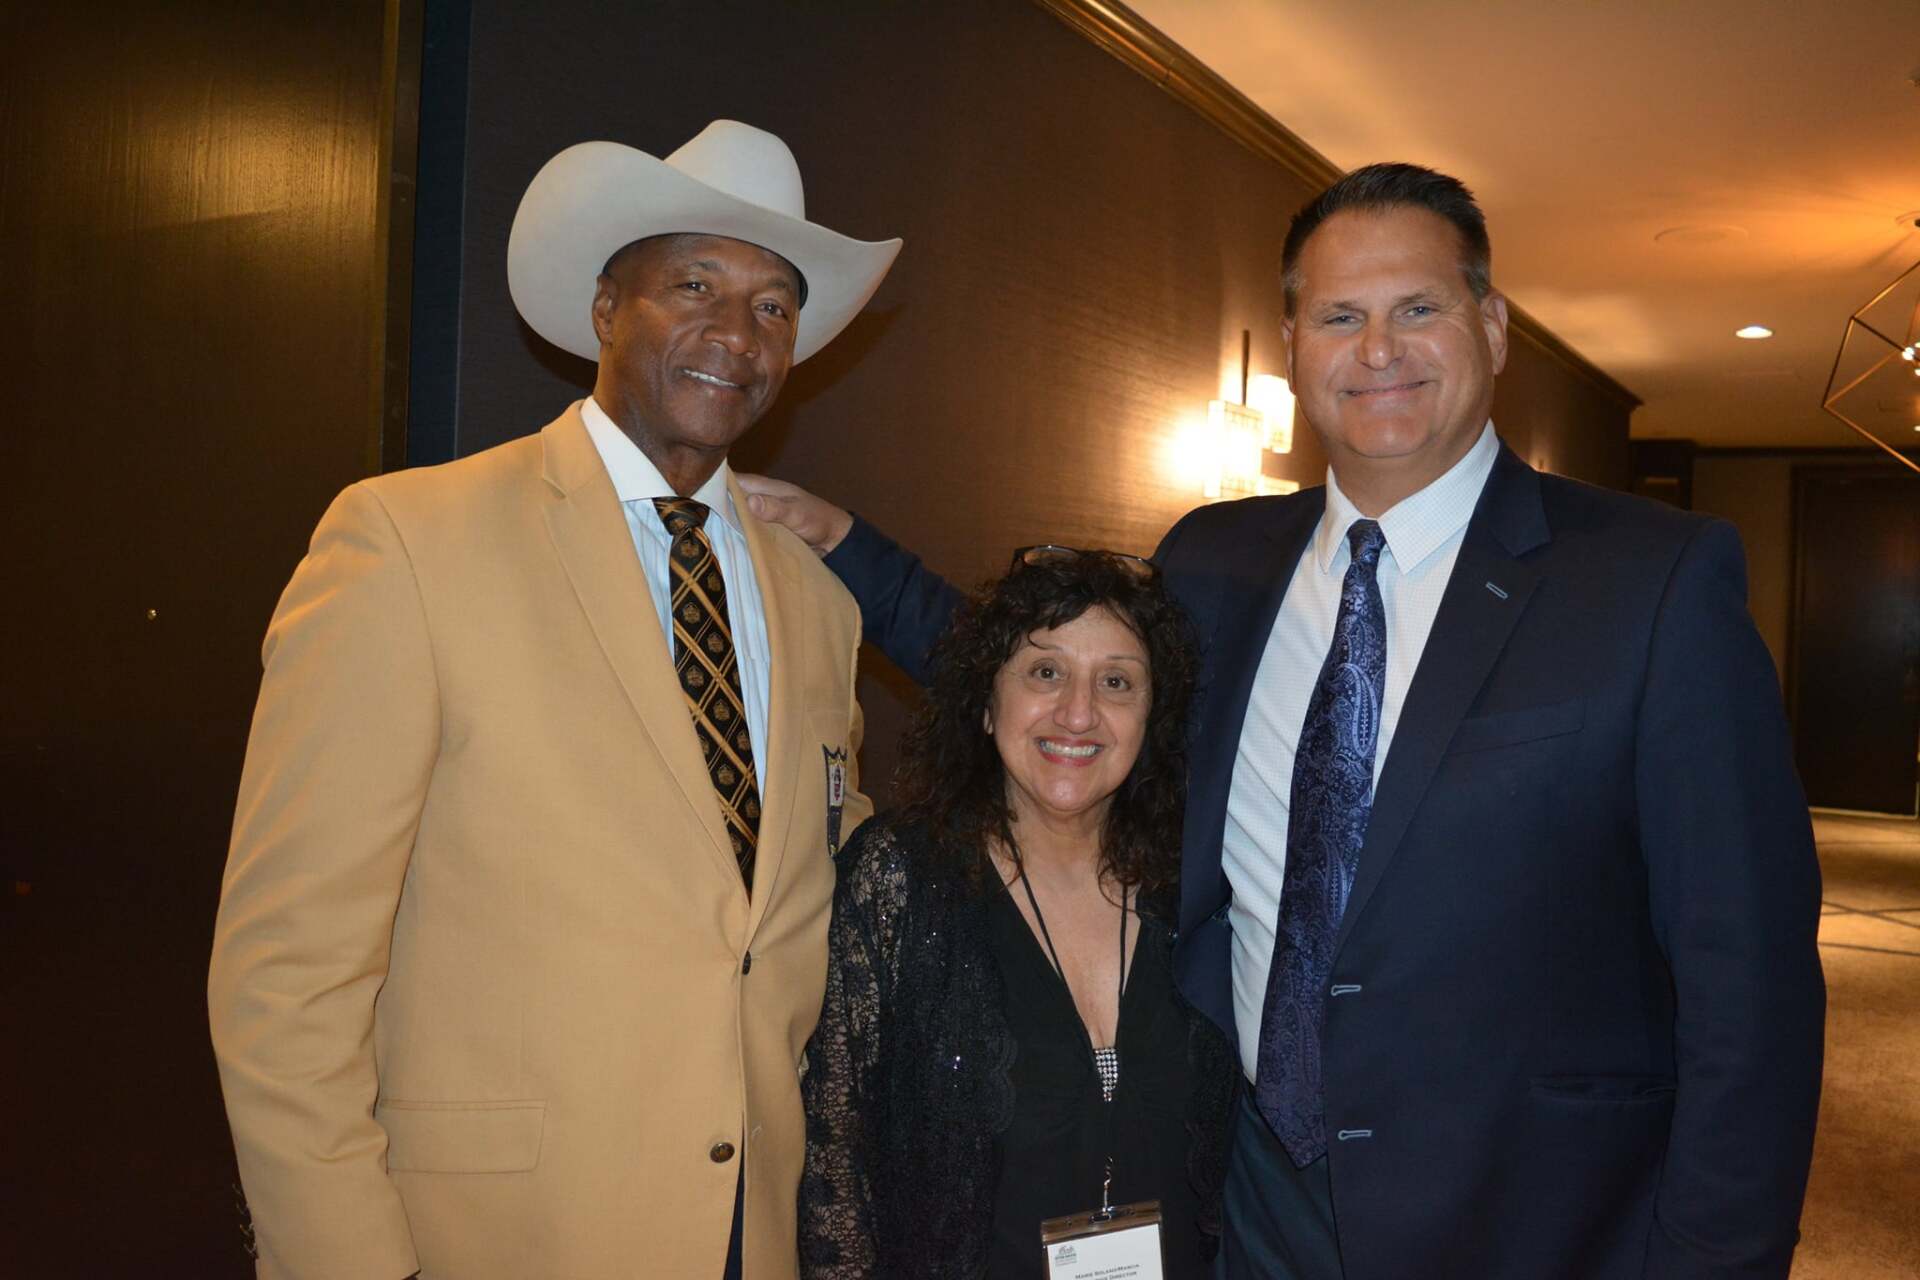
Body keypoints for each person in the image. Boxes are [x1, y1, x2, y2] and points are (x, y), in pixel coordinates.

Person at [743, 163, 1825, 1279]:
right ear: (1296, 346)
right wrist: (846, 547)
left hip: (1528, 1220)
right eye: (1341, 317)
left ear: (1493, 328)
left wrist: (1717, 1257)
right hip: (1254, 1202)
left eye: (1419, 308)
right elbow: (1057, 691)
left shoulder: (1651, 583)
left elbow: (1751, 980)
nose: (1379, 350)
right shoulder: (1218, 558)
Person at [208, 121, 900, 1280]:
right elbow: (287, 975)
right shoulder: (409, 543)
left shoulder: (820, 608)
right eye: (695, 285)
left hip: (755, 1236)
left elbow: (807, 900)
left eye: (774, 305)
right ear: (605, 308)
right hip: (491, 1242)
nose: (738, 332)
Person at [797, 547, 1235, 1279]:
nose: (1078, 713)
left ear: (1152, 718)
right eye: (1045, 672)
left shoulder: (1197, 891)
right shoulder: (899, 876)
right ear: (986, 702)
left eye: (1117, 681)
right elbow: (833, 1158)